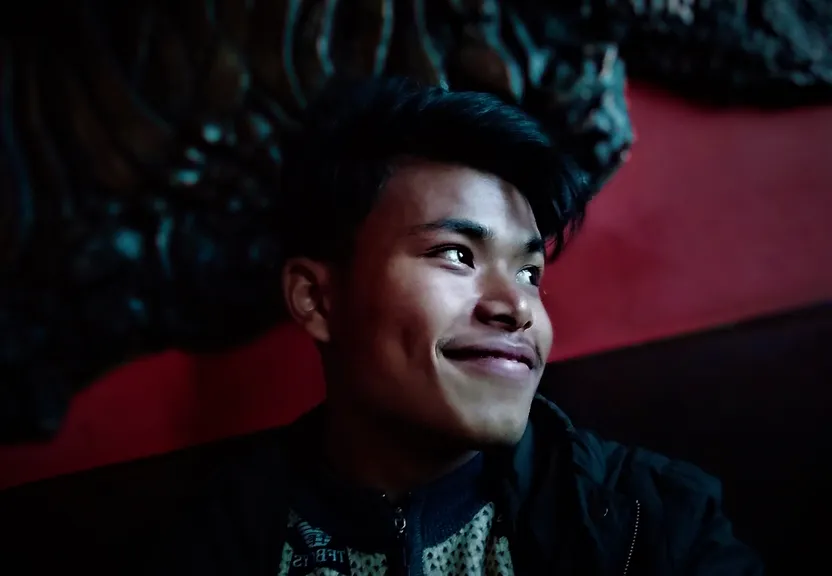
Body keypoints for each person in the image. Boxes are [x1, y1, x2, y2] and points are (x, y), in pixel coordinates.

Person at [161, 77, 763, 575]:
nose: (517, 307)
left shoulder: (656, 522)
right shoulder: (211, 543)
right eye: (456, 254)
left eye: (530, 272)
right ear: (317, 298)